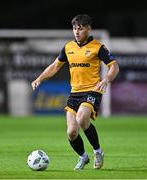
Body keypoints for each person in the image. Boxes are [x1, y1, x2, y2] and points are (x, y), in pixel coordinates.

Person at [31, 14, 119, 170]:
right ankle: (83, 157)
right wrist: (40, 78)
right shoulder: (68, 47)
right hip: (74, 93)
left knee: (82, 118)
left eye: (80, 28)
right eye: (74, 28)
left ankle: (98, 152)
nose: (77, 32)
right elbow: (55, 66)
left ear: (88, 29)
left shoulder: (98, 47)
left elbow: (114, 66)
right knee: (72, 132)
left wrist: (105, 80)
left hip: (92, 90)